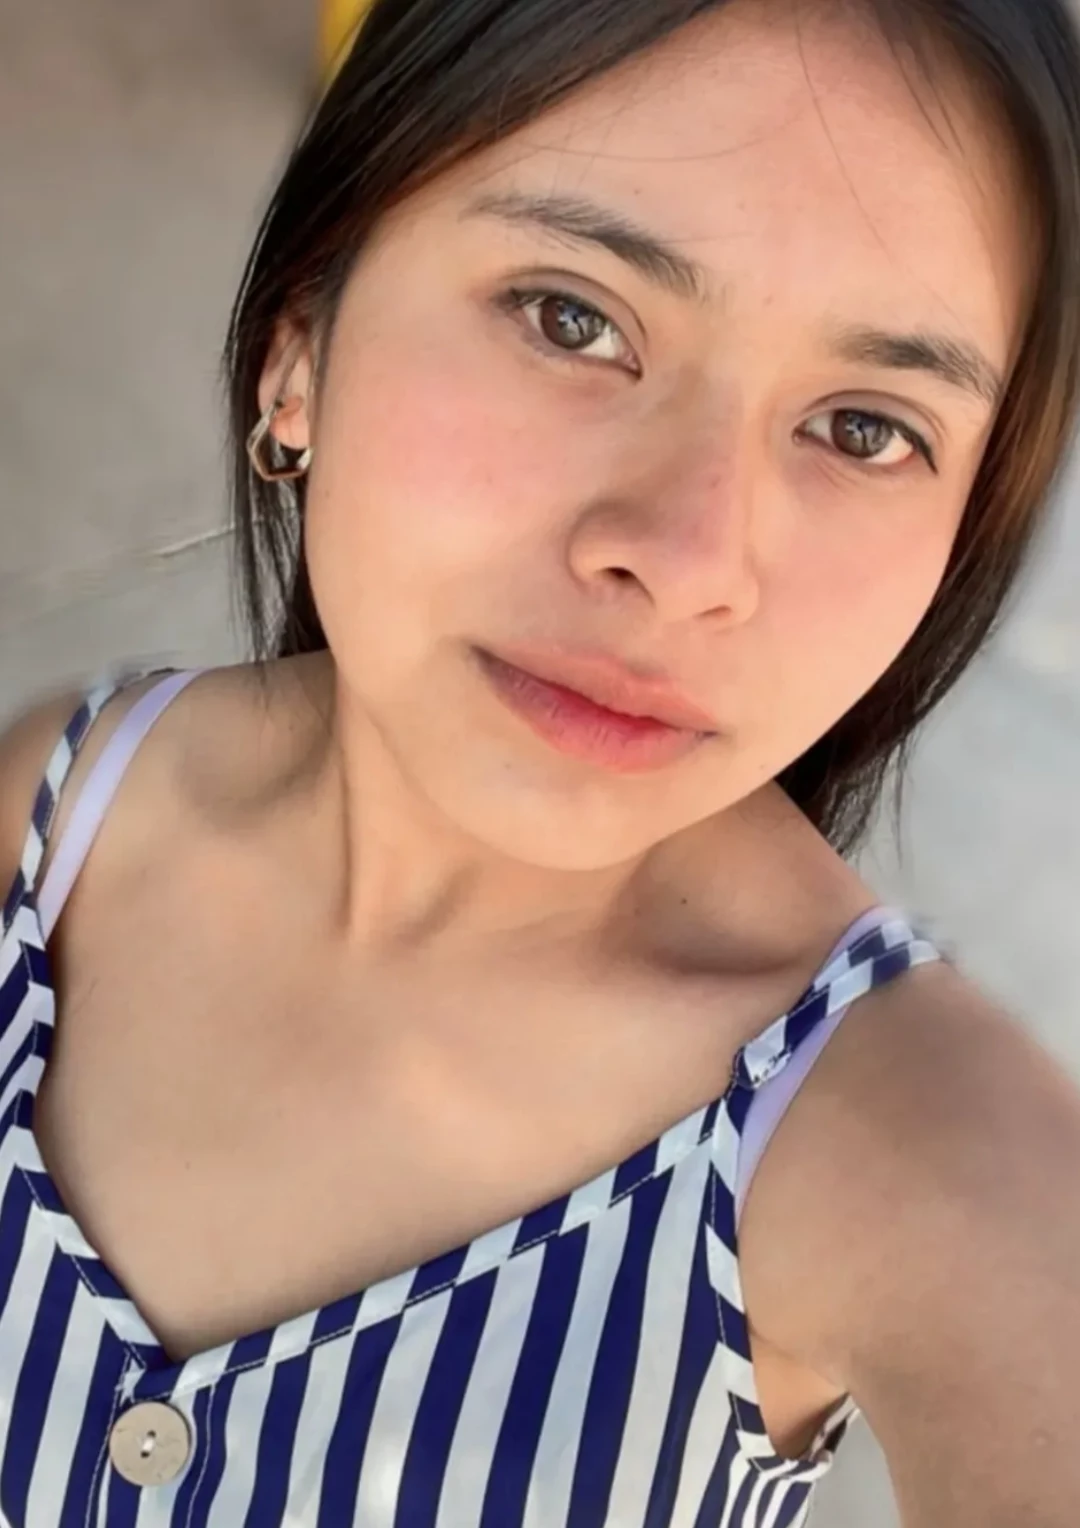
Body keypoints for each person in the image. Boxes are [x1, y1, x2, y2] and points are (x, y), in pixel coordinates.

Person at [2, 0, 1080, 1522]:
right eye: (573, 318)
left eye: (862, 428)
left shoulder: (933, 1168)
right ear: (301, 339)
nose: (688, 560)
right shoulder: (57, 820)